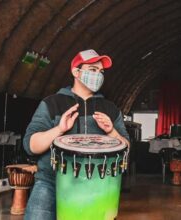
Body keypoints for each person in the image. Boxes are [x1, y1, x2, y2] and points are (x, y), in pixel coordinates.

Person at [22, 49, 130, 220]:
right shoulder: (51, 103)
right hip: (50, 182)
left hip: (97, 185)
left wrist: (112, 131)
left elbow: (126, 147)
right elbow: (30, 145)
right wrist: (59, 129)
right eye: (93, 70)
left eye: (101, 72)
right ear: (76, 71)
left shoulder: (110, 108)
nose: (98, 75)